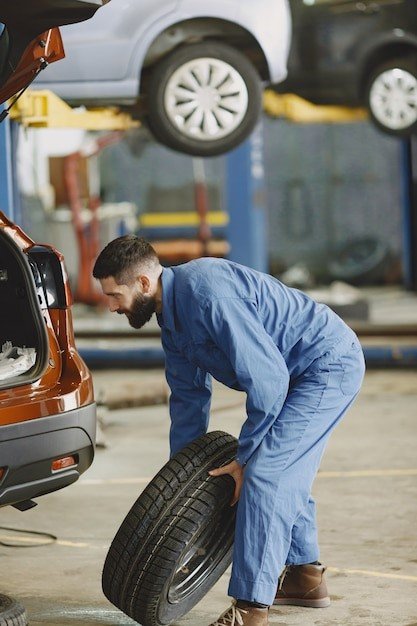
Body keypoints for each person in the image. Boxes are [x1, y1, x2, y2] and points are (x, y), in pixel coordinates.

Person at [93, 235, 365, 626]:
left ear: (143, 284)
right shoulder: (170, 319)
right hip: (289, 375)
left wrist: (245, 457)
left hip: (325, 367)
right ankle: (305, 578)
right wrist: (180, 484)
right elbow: (188, 400)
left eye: (114, 295)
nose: (111, 307)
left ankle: (251, 609)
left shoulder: (208, 296)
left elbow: (268, 382)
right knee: (281, 465)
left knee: (267, 471)